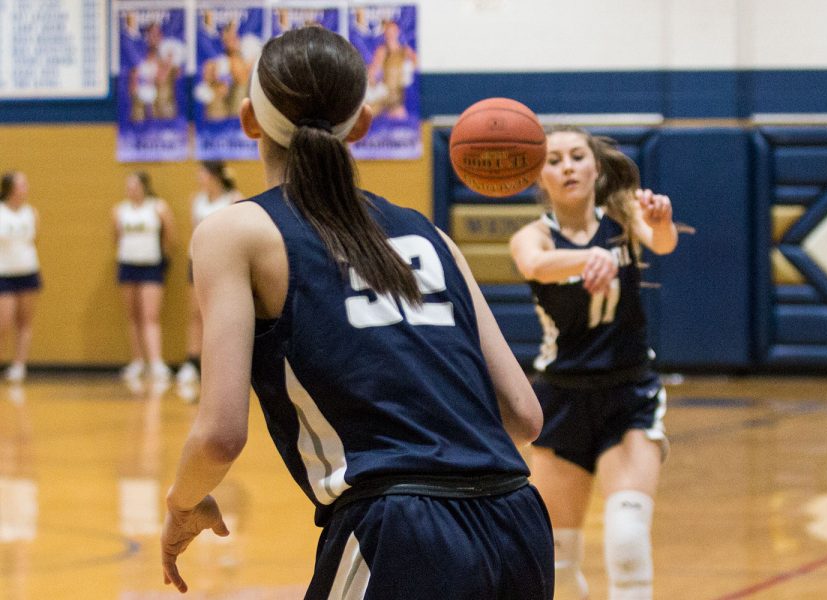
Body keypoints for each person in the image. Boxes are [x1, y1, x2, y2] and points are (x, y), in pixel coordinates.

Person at [161, 27, 553, 599]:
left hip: (400, 530)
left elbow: (220, 435)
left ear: (248, 120)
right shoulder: (431, 234)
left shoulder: (235, 231)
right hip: (518, 522)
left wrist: (181, 505)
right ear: (363, 124)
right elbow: (524, 416)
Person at [509, 128, 679, 600]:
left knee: (627, 538)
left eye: (577, 156)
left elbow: (662, 243)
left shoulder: (623, 219)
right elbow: (536, 266)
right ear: (540, 177)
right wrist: (588, 258)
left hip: (629, 394)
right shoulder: (532, 236)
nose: (567, 166)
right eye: (555, 159)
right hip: (560, 397)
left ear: (596, 168)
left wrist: (660, 219)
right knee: (557, 563)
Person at [175, 161, 241, 388]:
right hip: (197, 259)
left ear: (214, 176)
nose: (199, 178)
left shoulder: (234, 199)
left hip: (223, 263)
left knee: (220, 314)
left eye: (202, 173)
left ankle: (221, 363)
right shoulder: (197, 200)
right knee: (196, 313)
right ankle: (193, 362)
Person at [113, 172, 176, 383]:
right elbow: (116, 237)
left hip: (151, 266)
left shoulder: (158, 207)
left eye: (134, 186)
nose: (130, 190)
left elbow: (169, 237)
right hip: (128, 265)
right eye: (128, 186)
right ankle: (137, 361)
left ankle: (156, 362)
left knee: (150, 316)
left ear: (144, 187)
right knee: (133, 316)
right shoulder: (119, 211)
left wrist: (163, 260)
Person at [0, 171, 41, 383]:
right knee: (3, 322)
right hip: (4, 274)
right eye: (22, 184)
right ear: (10, 188)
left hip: (28, 271)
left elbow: (34, 240)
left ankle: (19, 365)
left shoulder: (31, 212)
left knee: (24, 322)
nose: (26, 187)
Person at [365, 20, 417, 120]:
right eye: (388, 32)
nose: (391, 35)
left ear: (397, 32)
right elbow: (372, 71)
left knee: (403, 123)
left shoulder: (405, 51)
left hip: (398, 97)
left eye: (393, 31)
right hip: (384, 96)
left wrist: (409, 69)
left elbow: (416, 64)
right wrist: (372, 83)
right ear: (385, 34)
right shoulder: (382, 51)